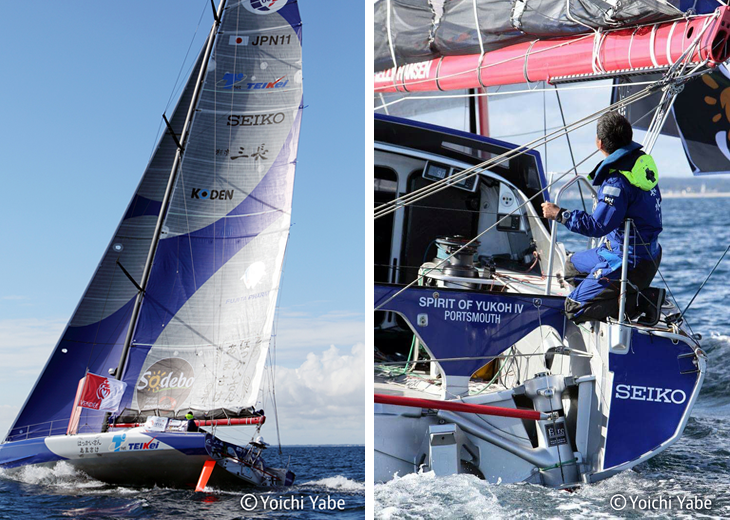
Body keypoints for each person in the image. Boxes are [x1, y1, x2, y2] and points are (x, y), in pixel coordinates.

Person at [541, 111, 662, 323]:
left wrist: (559, 214)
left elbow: (597, 226)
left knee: (573, 308)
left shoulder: (617, 181)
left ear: (600, 143)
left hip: (628, 261)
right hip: (645, 254)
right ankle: (611, 296)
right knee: (570, 268)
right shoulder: (641, 169)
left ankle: (643, 301)